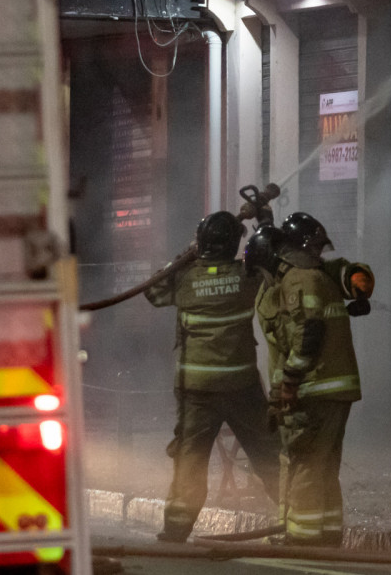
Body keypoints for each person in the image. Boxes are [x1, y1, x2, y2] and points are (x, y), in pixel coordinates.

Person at [144, 211, 281, 543]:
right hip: (241, 386)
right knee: (268, 452)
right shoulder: (246, 278)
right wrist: (265, 226)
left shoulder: (185, 279)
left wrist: (185, 254)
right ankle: (296, 513)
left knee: (190, 459)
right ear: (233, 243)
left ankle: (176, 527)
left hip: (197, 390)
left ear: (201, 243)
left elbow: (153, 292)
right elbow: (273, 266)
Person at [254, 212, 373, 545]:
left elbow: (308, 333)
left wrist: (288, 384)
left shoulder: (300, 280)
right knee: (323, 465)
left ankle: (303, 538)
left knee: (304, 461)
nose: (318, 256)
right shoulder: (316, 277)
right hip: (337, 388)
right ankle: (327, 533)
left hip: (314, 388)